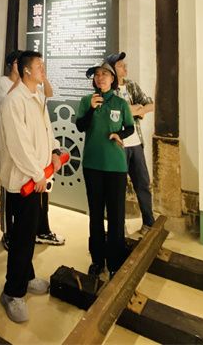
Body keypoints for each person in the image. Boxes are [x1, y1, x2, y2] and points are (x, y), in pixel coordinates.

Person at [0, 51, 62, 323]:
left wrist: (55, 151)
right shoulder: (14, 101)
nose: (43, 70)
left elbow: (47, 131)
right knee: (21, 237)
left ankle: (27, 276)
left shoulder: (37, 97)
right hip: (23, 181)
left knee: (29, 232)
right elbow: (18, 144)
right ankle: (13, 292)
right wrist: (37, 174)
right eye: (39, 66)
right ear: (25, 70)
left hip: (37, 178)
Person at [75, 60, 134, 278]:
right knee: (96, 213)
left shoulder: (120, 103)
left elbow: (130, 127)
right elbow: (80, 126)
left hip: (116, 166)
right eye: (97, 75)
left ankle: (115, 261)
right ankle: (97, 260)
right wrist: (91, 109)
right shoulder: (86, 101)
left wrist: (120, 134)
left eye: (105, 74)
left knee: (116, 215)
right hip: (92, 165)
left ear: (112, 79)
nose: (100, 78)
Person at [106, 52, 155, 233]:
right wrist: (135, 110)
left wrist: (136, 110)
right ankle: (119, 227)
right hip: (118, 145)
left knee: (143, 184)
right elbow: (115, 112)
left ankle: (149, 223)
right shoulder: (108, 90)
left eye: (124, 64)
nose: (125, 68)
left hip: (136, 143)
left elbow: (151, 104)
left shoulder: (131, 85)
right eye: (120, 65)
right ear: (112, 69)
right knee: (117, 188)